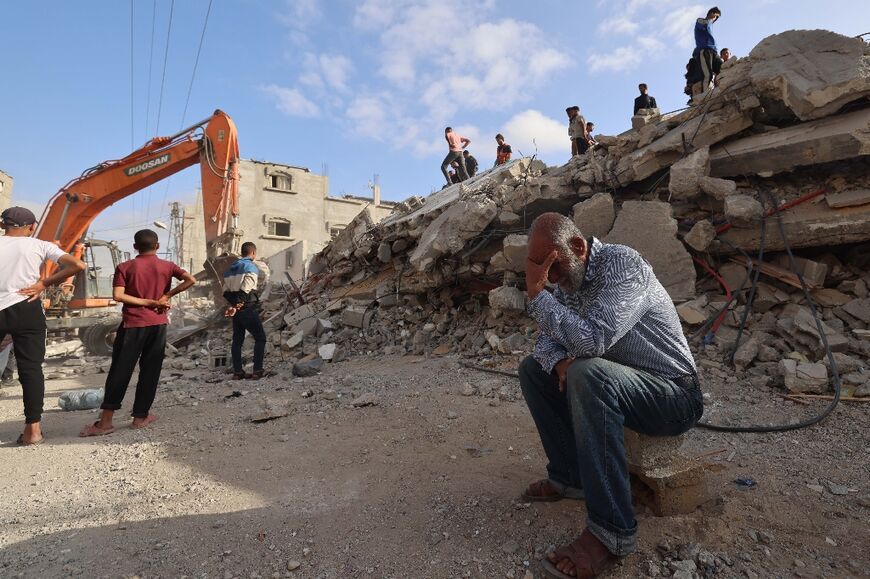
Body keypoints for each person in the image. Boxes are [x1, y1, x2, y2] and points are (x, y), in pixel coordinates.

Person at [519, 213, 703, 578]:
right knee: (532, 369)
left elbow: (594, 340)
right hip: (626, 385)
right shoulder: (569, 284)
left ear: (577, 247)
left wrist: (538, 295)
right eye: (539, 269)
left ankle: (612, 532)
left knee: (589, 371)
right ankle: (571, 478)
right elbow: (544, 343)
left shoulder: (622, 264)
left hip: (674, 396)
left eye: (551, 265)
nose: (547, 278)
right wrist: (557, 363)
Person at [80, 229, 195, 437]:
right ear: (157, 246)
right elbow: (190, 279)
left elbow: (118, 295)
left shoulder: (125, 267)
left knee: (120, 371)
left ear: (135, 247)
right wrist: (165, 296)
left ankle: (105, 423)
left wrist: (145, 302)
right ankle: (140, 417)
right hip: (158, 326)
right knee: (150, 371)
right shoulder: (167, 266)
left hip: (133, 325)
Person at [0, 206, 86, 445]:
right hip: (27, 307)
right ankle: (33, 431)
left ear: (2, 225)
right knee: (30, 370)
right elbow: (78, 266)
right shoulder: (40, 245)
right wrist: (43, 284)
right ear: (31, 227)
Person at [223, 242, 270, 380]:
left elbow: (225, 292)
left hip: (236, 311)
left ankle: (238, 372)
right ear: (253, 253)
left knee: (237, 341)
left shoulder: (230, 268)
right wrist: (238, 305)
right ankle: (257, 370)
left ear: (242, 252)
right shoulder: (251, 267)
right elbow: (246, 289)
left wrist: (233, 306)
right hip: (247, 308)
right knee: (260, 338)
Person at [693, 7, 722, 95]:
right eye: (715, 16)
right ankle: (707, 96)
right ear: (711, 13)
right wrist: (711, 18)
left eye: (716, 18)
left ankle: (722, 89)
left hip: (713, 51)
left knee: (722, 69)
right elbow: (705, 25)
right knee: (707, 75)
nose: (715, 19)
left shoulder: (710, 25)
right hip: (704, 51)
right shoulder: (700, 20)